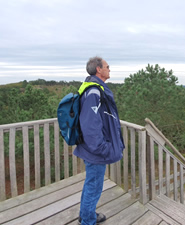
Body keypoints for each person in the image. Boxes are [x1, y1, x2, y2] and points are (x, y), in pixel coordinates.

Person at [74, 56, 124, 224]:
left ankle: (86, 214)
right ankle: (88, 221)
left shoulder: (93, 89)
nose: (110, 69)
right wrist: (101, 148)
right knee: (94, 186)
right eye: (107, 66)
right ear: (99, 69)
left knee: (91, 184)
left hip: (92, 148)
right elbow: (90, 124)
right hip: (95, 149)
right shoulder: (94, 92)